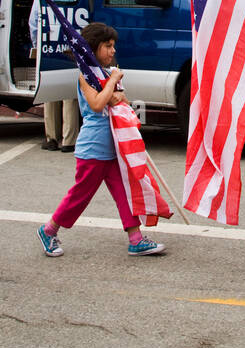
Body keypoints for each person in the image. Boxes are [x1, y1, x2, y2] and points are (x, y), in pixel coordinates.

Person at [37, 22, 165, 257]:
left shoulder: (104, 74)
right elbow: (96, 105)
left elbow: (122, 100)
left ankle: (135, 239)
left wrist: (117, 91)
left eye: (114, 46)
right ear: (93, 48)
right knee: (80, 196)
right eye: (108, 46)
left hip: (112, 147)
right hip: (93, 148)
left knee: (124, 193)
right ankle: (49, 230)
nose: (113, 50)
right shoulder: (86, 76)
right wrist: (113, 83)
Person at [28, 0, 80, 152]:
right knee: (69, 94)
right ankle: (68, 140)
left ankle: (51, 137)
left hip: (49, 46)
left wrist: (37, 45)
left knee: (50, 93)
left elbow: (34, 22)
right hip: (69, 47)